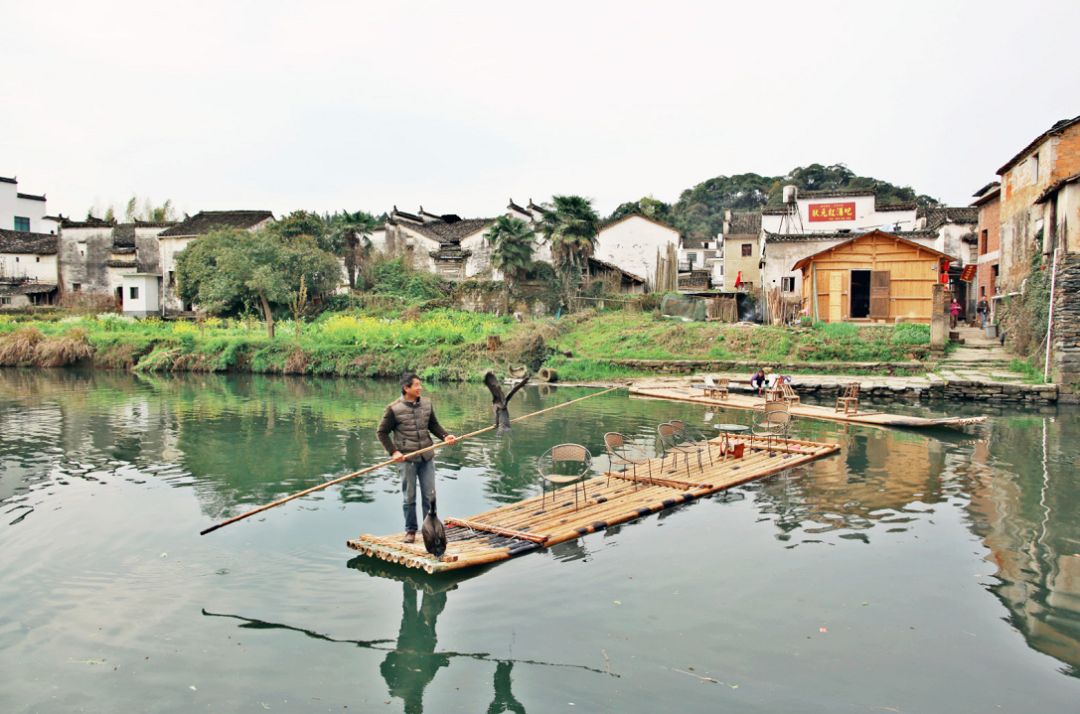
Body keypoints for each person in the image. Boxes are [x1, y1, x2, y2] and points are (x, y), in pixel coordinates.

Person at [376, 374, 457, 543]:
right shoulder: (393, 409)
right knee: (409, 496)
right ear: (406, 388)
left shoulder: (427, 404)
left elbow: (433, 425)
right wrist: (393, 452)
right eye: (417, 385)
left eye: (420, 385)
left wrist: (445, 436)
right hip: (407, 459)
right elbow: (382, 432)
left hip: (427, 456)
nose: (420, 388)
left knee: (430, 496)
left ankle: (431, 529)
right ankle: (411, 530)